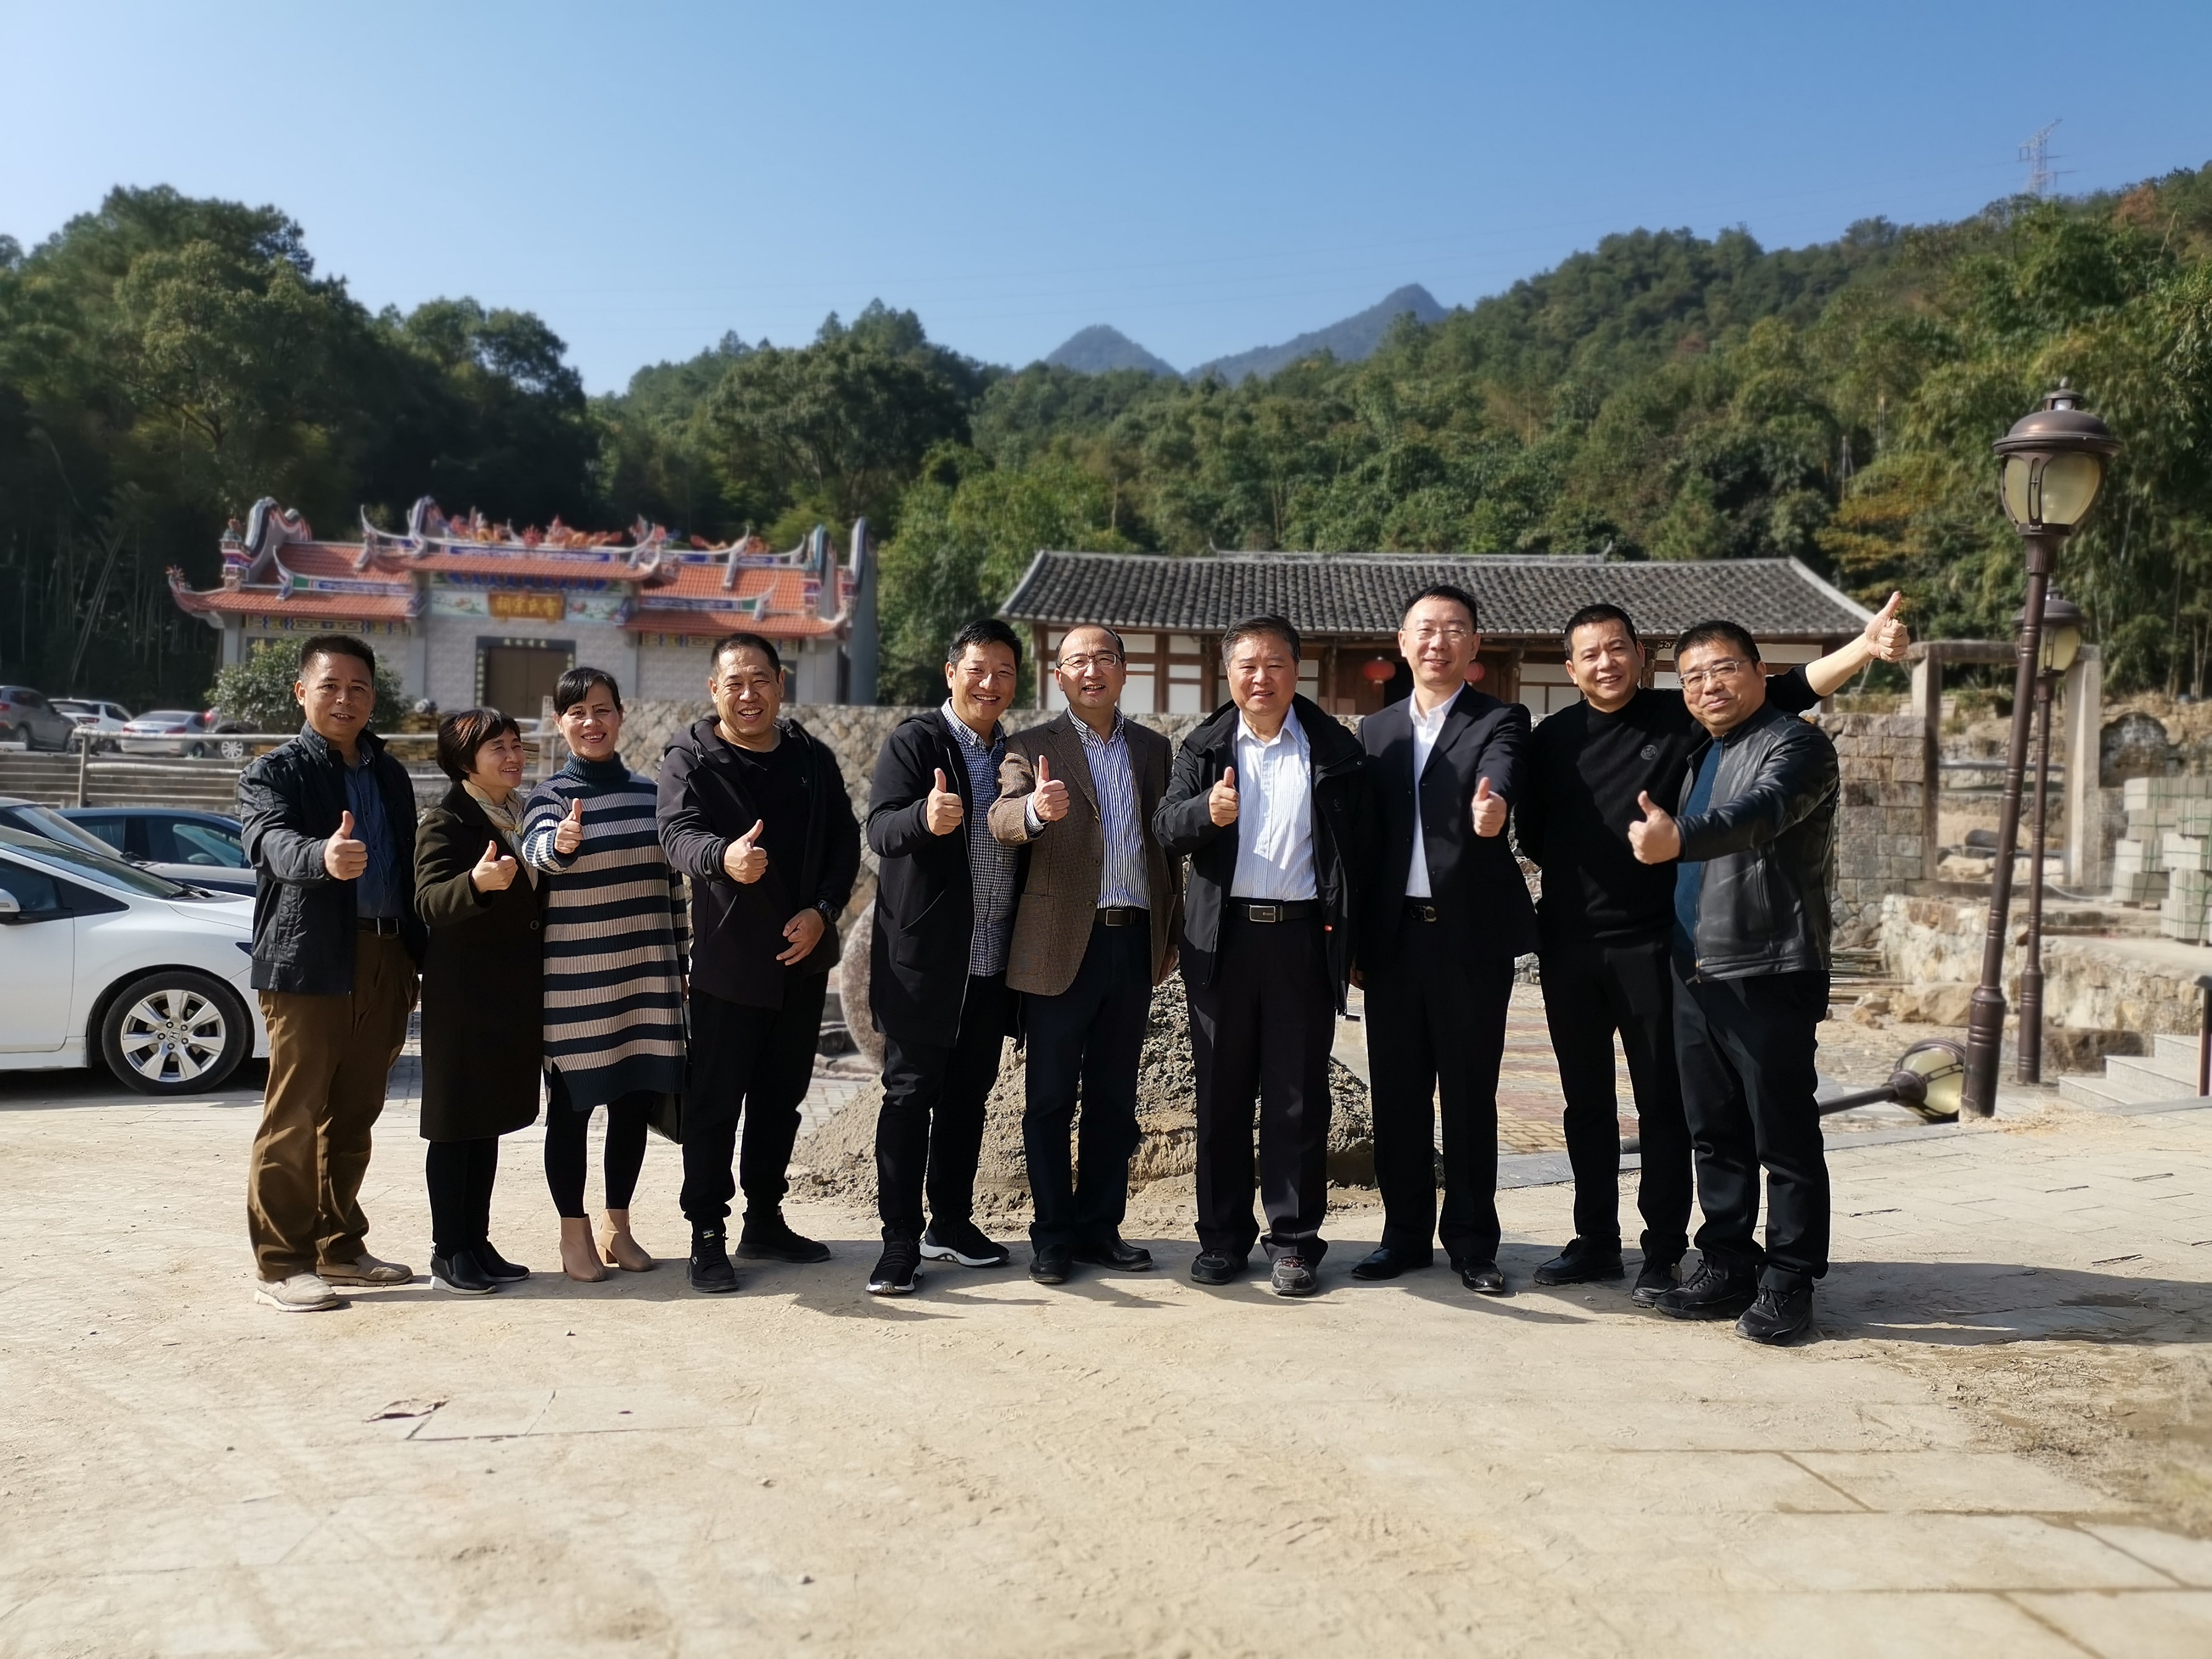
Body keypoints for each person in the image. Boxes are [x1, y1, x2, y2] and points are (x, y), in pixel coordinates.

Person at [1515, 596, 1907, 1306]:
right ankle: (1598, 1241)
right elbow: (1534, 832)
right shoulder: (1552, 739)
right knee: (1593, 1105)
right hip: (1573, 944)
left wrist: (1862, 647)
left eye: (1617, 648)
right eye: (1589, 654)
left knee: (1669, 1107)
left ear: (1641, 656)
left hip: (1658, 944)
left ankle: (1664, 1250)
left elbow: (1787, 691)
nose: (1605, 663)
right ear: (1569, 669)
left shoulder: (1686, 718)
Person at [1627, 620, 1841, 1345]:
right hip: (1695, 967)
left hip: (1768, 965)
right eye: (1691, 677)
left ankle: (1789, 1279)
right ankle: (1725, 1261)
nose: (1706, 686)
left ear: (1757, 671)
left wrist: (1678, 838)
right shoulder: (1705, 751)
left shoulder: (1795, 745)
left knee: (1781, 1134)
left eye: (1721, 669)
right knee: (1713, 1131)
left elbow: (1759, 815)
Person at [1154, 616, 1370, 1298]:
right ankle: (1221, 1239)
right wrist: (1206, 813)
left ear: (1296, 670)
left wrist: (1355, 944)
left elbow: (1360, 852)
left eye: (1274, 664)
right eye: (1247, 665)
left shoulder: (1333, 748)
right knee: (1220, 1096)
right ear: (1228, 674)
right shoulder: (1203, 747)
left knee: (1296, 1098)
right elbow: (1165, 828)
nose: (1260, 677)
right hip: (1223, 941)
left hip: (1303, 940)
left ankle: (1294, 1242)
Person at [658, 633, 861, 1294]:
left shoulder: (809, 757)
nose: (749, 694)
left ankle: (765, 1219)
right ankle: (706, 1232)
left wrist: (824, 910)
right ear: (714, 690)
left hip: (802, 961)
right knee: (715, 1106)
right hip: (729, 966)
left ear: (780, 683)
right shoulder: (691, 759)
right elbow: (676, 835)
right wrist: (722, 857)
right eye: (734, 683)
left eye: (760, 680)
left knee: (781, 1101)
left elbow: (844, 840)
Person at [1351, 585, 1533, 1295]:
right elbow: (1362, 842)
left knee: (1467, 1096)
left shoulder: (1499, 718)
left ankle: (1472, 1243)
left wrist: (1493, 807)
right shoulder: (1374, 731)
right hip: (1393, 941)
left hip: (1468, 942)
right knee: (1396, 1096)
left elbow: (1502, 770)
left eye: (1453, 629)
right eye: (1424, 629)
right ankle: (1402, 1238)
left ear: (1473, 646)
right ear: (1401, 643)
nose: (1437, 642)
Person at [988, 624, 1182, 1286]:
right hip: (1056, 945)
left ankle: (1101, 1229)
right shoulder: (1029, 746)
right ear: (1059, 676)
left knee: (1113, 1099)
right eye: (1077, 661)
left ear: (1124, 671)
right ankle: (1052, 1235)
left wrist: (1169, 936)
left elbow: (1166, 849)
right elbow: (1001, 817)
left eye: (1104, 658)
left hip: (1132, 940)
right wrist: (1035, 813)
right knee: (1047, 1099)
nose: (1091, 670)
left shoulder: (1153, 749)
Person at [238, 634, 425, 1312]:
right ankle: (281, 1263)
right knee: (294, 1114)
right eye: (330, 686)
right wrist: (322, 857)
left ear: (373, 698)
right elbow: (267, 840)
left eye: (358, 688)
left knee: (354, 1114)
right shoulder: (274, 771)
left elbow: (408, 867)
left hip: (386, 957)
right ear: (302, 693)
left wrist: (422, 956)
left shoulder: (391, 774)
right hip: (310, 957)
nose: (345, 699)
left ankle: (338, 1247)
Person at [862, 619, 1029, 1295]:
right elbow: (879, 828)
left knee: (968, 1098)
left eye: (1004, 672)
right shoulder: (917, 741)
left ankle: (950, 1224)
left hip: (992, 957)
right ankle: (899, 1239)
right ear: (951, 672)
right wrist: (922, 819)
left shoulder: (1015, 753)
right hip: (926, 960)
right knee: (909, 1097)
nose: (990, 683)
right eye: (977, 669)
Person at [521, 667, 689, 1284]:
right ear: (560, 723)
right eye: (576, 712)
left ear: (620, 716)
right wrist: (561, 844)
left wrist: (682, 961)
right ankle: (574, 1234)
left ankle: (619, 1227)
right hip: (576, 987)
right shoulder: (549, 797)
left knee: (632, 1107)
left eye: (602, 709)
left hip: (647, 982)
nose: (590, 722)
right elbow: (536, 850)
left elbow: (673, 888)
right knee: (570, 1113)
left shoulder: (652, 794)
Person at [412, 707, 544, 1295]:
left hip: (509, 995)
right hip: (463, 998)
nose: (514, 756)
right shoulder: (445, 821)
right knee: (454, 1126)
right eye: (499, 748)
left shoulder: (524, 816)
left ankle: (477, 1240)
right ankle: (449, 1249)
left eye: (517, 744)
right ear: (466, 761)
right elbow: (428, 900)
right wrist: (474, 884)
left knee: (485, 1123)